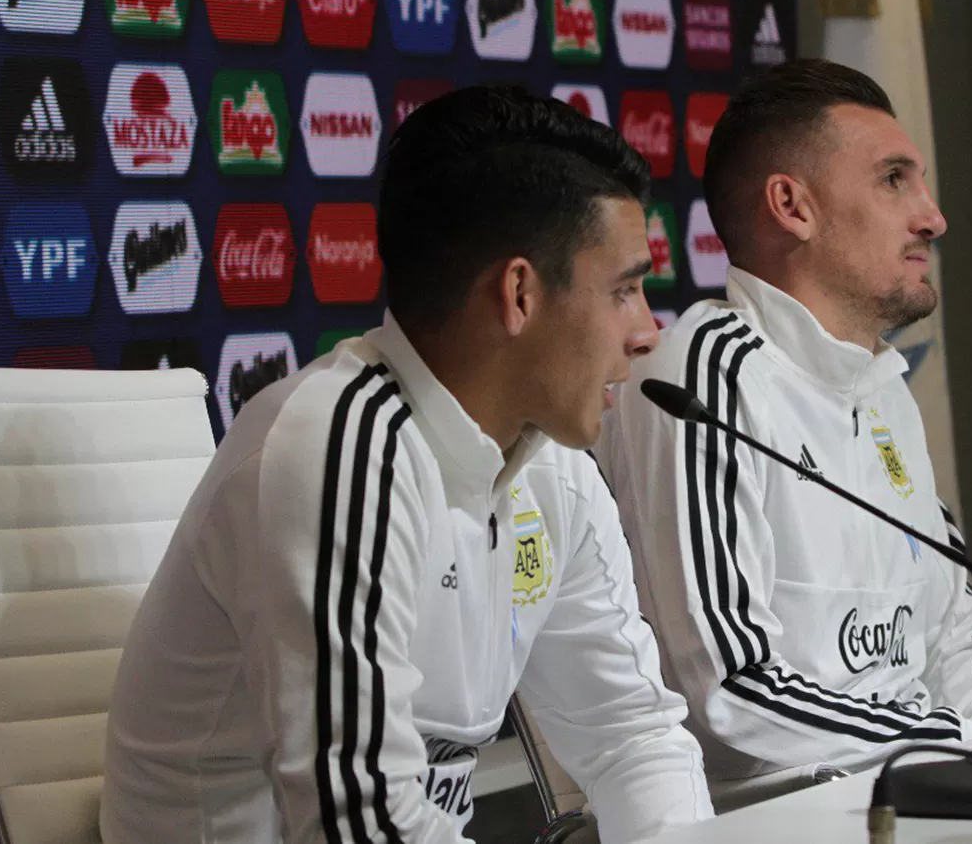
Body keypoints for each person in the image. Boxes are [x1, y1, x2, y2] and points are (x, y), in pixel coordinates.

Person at [101, 85, 714, 844]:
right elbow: (360, 826)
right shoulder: (336, 447)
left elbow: (631, 733)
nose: (647, 331)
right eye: (624, 289)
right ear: (519, 293)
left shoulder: (552, 469)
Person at [595, 59, 972, 785]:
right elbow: (735, 696)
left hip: (923, 789)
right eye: (895, 179)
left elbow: (966, 624)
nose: (932, 216)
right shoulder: (700, 377)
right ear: (792, 206)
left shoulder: (880, 381)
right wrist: (959, 743)